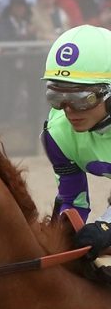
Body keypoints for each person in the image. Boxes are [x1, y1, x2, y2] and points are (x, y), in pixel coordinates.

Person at [41, 25, 111, 258]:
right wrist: (62, 235)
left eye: (81, 98)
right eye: (57, 97)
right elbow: (72, 199)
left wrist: (105, 226)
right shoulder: (57, 132)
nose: (69, 111)